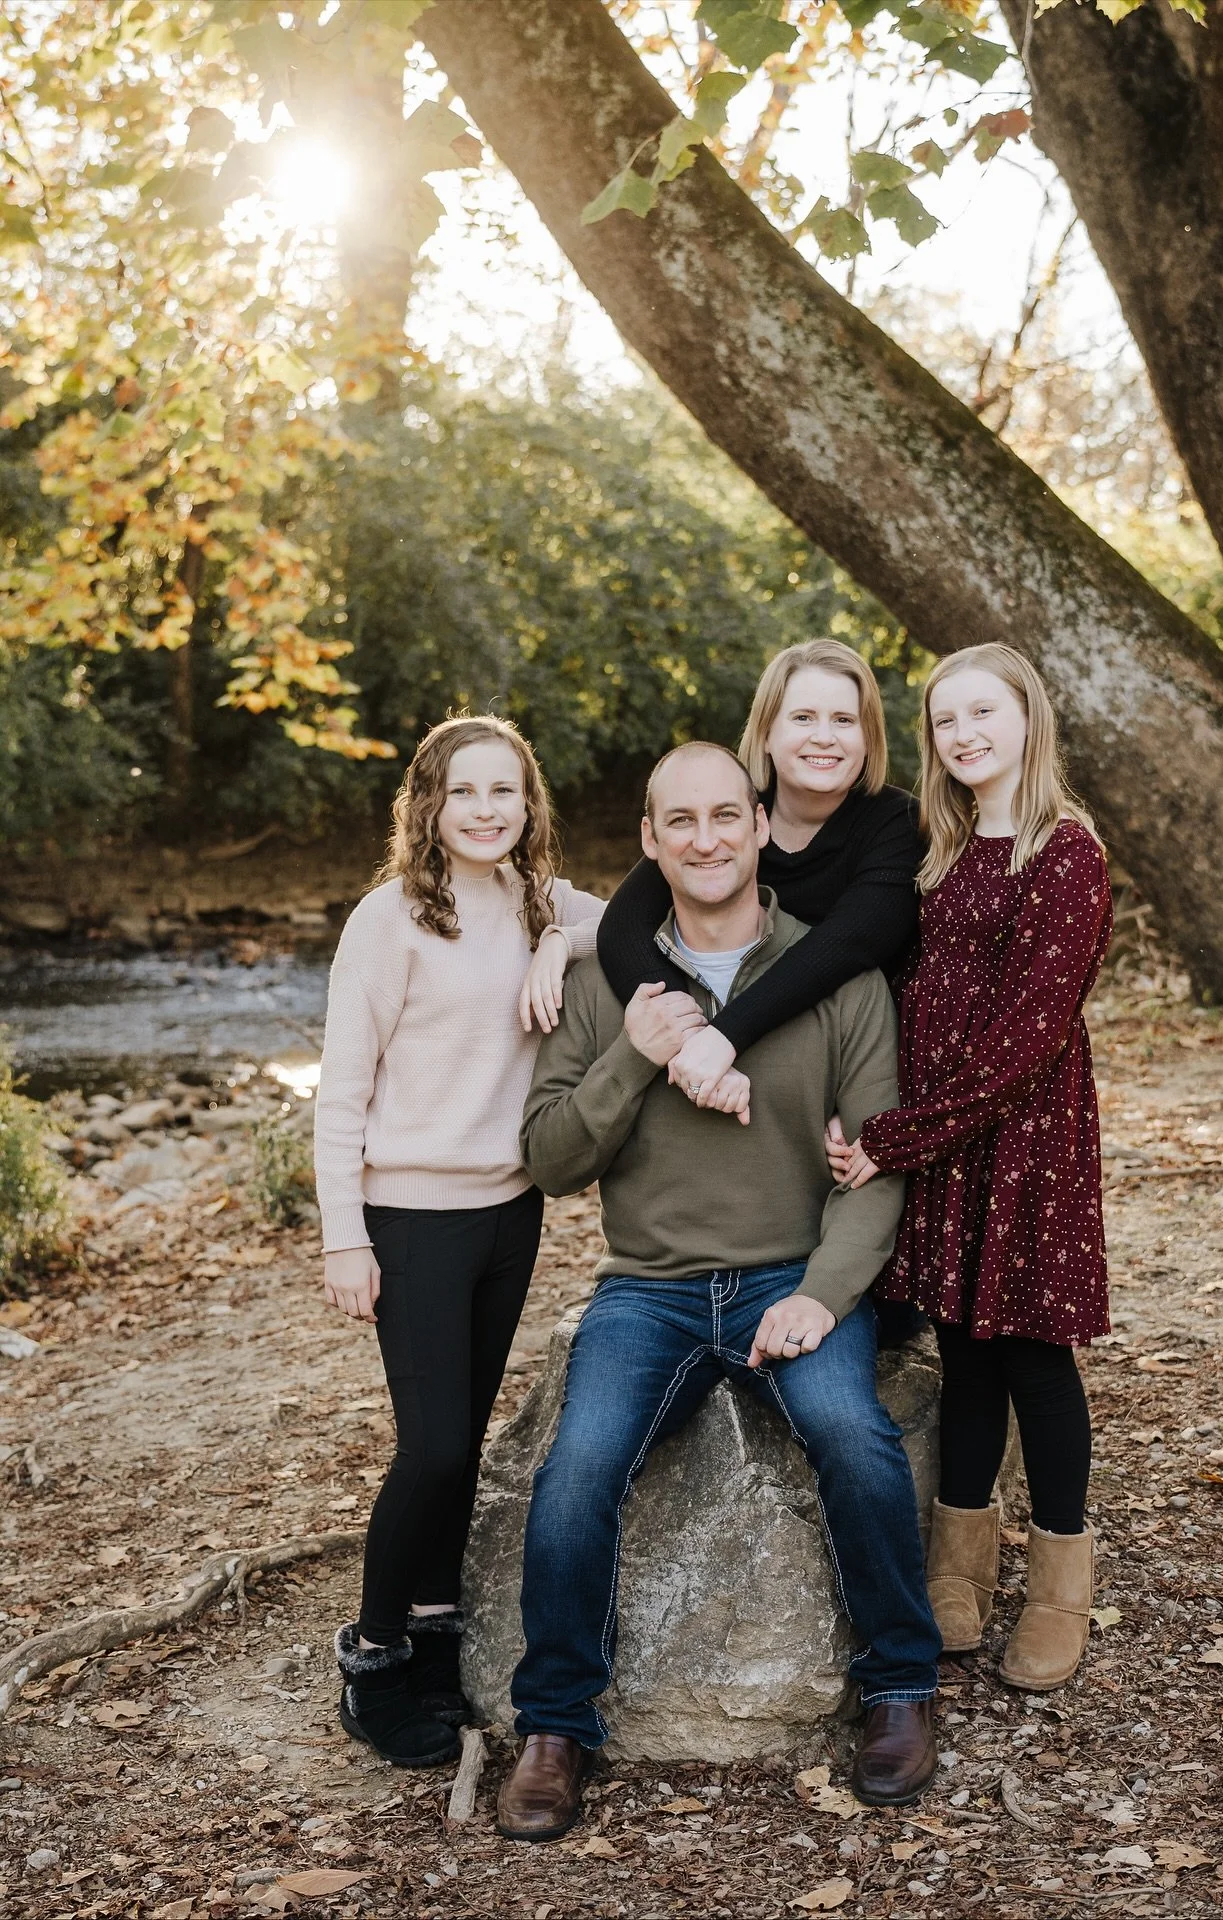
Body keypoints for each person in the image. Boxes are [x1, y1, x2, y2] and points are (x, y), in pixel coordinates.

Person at [496, 741, 941, 1841]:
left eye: (723, 817)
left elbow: (877, 1165)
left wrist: (827, 1296)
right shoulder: (610, 981)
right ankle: (554, 1728)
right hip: (647, 1289)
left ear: (758, 827)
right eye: (678, 822)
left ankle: (898, 1691)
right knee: (578, 1466)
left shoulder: (838, 976)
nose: (704, 839)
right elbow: (550, 1159)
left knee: (852, 1432)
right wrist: (635, 1055)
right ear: (650, 840)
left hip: (791, 1274)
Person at [313, 715, 604, 1767]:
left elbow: (638, 921)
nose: (487, 810)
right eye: (465, 791)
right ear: (427, 805)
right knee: (431, 1445)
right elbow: (341, 1094)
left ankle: (435, 1635)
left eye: (506, 792)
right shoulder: (386, 922)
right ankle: (373, 1655)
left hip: (507, 1212)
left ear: (528, 805)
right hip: (409, 1218)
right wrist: (345, 1238)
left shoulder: (538, 901)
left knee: (464, 1446)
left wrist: (559, 940)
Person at [831, 644, 1113, 1693]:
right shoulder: (939, 848)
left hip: (1024, 1142)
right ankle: (960, 1567)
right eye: (945, 721)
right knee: (962, 1348)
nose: (963, 736)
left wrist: (894, 1140)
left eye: (982, 713)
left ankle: (1058, 1586)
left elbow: (1025, 1039)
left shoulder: (1066, 853)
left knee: (1033, 1354)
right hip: (943, 1141)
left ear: (1028, 717)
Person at [596, 639, 923, 1118]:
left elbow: (846, 945)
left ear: (869, 736)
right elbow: (622, 927)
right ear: (767, 731)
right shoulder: (731, 818)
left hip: (862, 1072)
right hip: (737, 1071)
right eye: (803, 718)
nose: (825, 737)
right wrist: (695, 1043)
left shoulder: (898, 825)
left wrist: (724, 1036)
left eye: (845, 721)